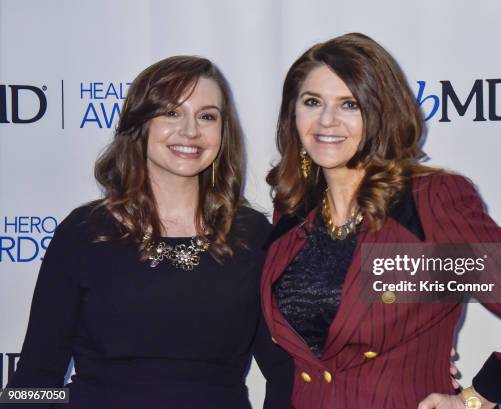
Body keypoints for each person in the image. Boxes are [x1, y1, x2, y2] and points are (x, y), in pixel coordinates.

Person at [261, 33, 501, 409]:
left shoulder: (428, 202)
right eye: (312, 102)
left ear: (380, 112)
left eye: (349, 104)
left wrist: (476, 399)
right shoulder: (294, 209)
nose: (326, 120)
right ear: (294, 112)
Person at [4, 56, 293, 409]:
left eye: (207, 116)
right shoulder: (84, 233)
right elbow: (37, 375)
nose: (190, 130)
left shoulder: (252, 235)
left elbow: (285, 373)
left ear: (223, 131)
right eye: (171, 112)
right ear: (141, 123)